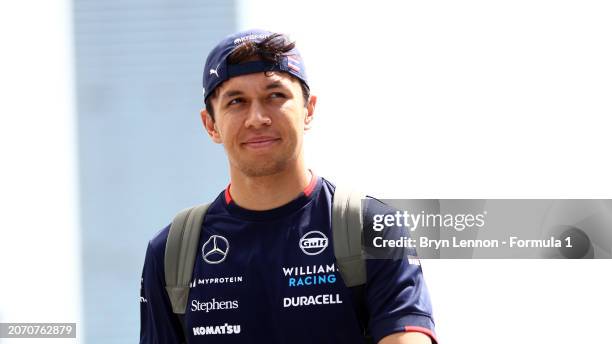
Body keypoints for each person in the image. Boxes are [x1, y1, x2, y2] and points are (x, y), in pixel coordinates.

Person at [139, 29, 437, 344]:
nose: (257, 118)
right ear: (210, 124)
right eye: (236, 101)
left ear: (308, 109)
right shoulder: (171, 251)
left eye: (275, 96)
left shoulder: (372, 228)